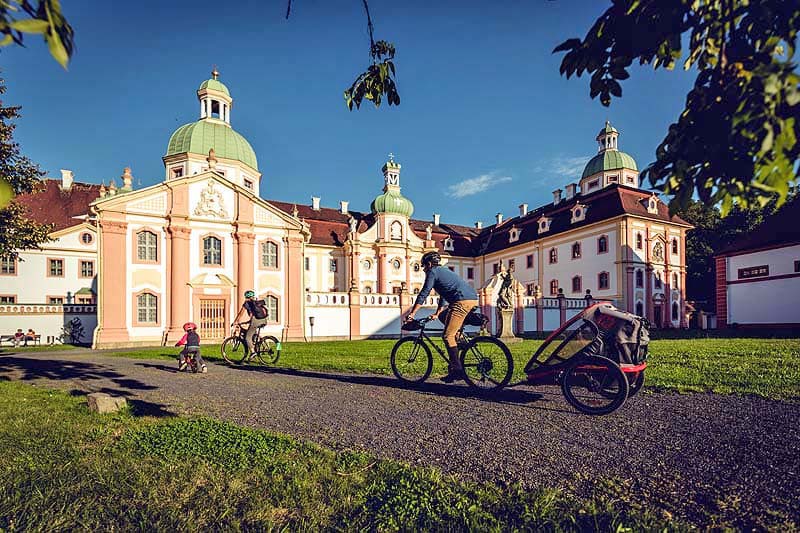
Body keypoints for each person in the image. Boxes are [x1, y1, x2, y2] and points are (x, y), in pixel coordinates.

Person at [404, 251, 479, 382]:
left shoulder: (432, 272)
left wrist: (412, 313)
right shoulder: (442, 271)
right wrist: (438, 313)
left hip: (461, 301)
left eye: (424, 266)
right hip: (470, 299)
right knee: (443, 316)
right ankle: (459, 340)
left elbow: (424, 293)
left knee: (447, 336)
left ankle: (457, 370)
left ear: (428, 264)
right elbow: (444, 295)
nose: (423, 269)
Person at [231, 290, 268, 360]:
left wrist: (235, 321)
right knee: (253, 332)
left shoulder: (247, 303)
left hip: (256, 321)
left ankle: (253, 352)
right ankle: (264, 344)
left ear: (246, 297)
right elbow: (254, 314)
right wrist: (248, 321)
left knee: (247, 337)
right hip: (264, 320)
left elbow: (240, 313)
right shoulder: (257, 302)